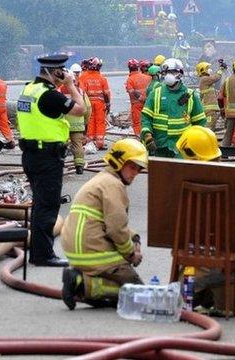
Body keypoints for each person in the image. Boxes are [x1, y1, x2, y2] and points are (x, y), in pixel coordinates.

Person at [175, 126, 235, 316]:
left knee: (228, 307)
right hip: (197, 265)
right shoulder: (182, 184)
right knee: (190, 300)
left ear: (192, 156)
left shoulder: (234, 186)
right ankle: (207, 294)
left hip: (225, 266)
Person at [60, 138, 147, 310]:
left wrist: (134, 237)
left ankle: (83, 282)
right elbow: (116, 229)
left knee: (114, 299)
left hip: (77, 249)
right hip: (94, 251)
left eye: (138, 169)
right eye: (132, 167)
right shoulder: (114, 186)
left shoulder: (102, 180)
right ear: (118, 163)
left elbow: (111, 221)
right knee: (138, 294)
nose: (135, 173)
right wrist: (131, 254)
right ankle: (81, 284)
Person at [17, 54, 86, 267]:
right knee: (47, 206)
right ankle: (43, 255)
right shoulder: (49, 96)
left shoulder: (28, 89)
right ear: (54, 72)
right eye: (61, 71)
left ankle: (39, 251)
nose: (63, 74)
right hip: (47, 156)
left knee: (40, 204)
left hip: (30, 154)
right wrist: (71, 84)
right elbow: (80, 109)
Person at [141, 58, 206, 158]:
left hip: (182, 148)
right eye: (166, 72)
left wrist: (195, 143)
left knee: (180, 173)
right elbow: (146, 117)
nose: (168, 75)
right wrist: (147, 135)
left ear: (180, 73)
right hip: (160, 145)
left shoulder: (190, 95)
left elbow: (200, 122)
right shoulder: (156, 93)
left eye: (171, 72)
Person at [59, 63, 92, 175]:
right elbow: (87, 107)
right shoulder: (80, 91)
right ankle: (79, 167)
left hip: (63, 124)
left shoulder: (59, 91)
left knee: (61, 144)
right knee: (77, 144)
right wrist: (85, 122)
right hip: (78, 124)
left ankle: (60, 164)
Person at [80, 57, 111, 150]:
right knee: (100, 121)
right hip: (100, 103)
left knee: (90, 120)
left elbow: (81, 92)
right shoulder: (102, 78)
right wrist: (108, 104)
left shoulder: (83, 77)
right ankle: (100, 142)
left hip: (88, 103)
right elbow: (106, 93)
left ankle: (90, 140)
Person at [197, 61, 227, 131]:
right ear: (203, 70)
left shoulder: (205, 81)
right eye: (207, 68)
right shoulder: (204, 79)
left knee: (210, 128)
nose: (210, 70)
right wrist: (221, 69)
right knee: (209, 129)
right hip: (209, 110)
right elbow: (216, 78)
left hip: (210, 110)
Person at [125, 58, 151, 136]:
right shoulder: (148, 77)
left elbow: (132, 92)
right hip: (147, 103)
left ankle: (140, 139)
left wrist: (140, 98)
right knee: (147, 121)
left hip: (136, 105)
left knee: (137, 123)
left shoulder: (130, 79)